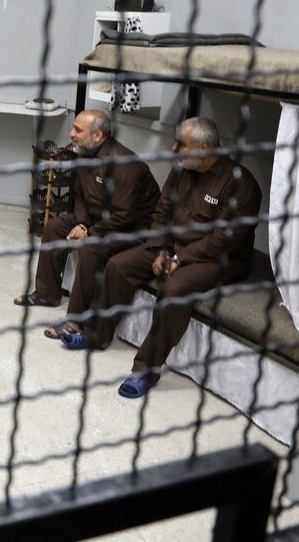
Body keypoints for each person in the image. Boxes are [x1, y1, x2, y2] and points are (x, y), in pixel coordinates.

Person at [83, 117, 262, 399]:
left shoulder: (241, 185)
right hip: (172, 247)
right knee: (118, 265)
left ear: (203, 148)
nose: (173, 148)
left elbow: (224, 240)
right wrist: (162, 249)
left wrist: (180, 257)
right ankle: (96, 334)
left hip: (217, 259)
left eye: (181, 144)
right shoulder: (181, 169)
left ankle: (145, 370)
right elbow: (161, 212)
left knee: (175, 289)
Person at [13, 110, 160, 345]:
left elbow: (124, 216)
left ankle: (75, 321)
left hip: (131, 230)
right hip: (97, 219)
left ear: (98, 135)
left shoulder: (125, 165)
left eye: (78, 130)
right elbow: (79, 196)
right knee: (54, 227)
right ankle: (47, 293)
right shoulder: (83, 155)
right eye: (73, 128)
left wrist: (90, 232)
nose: (71, 134)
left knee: (91, 247)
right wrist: (82, 223)